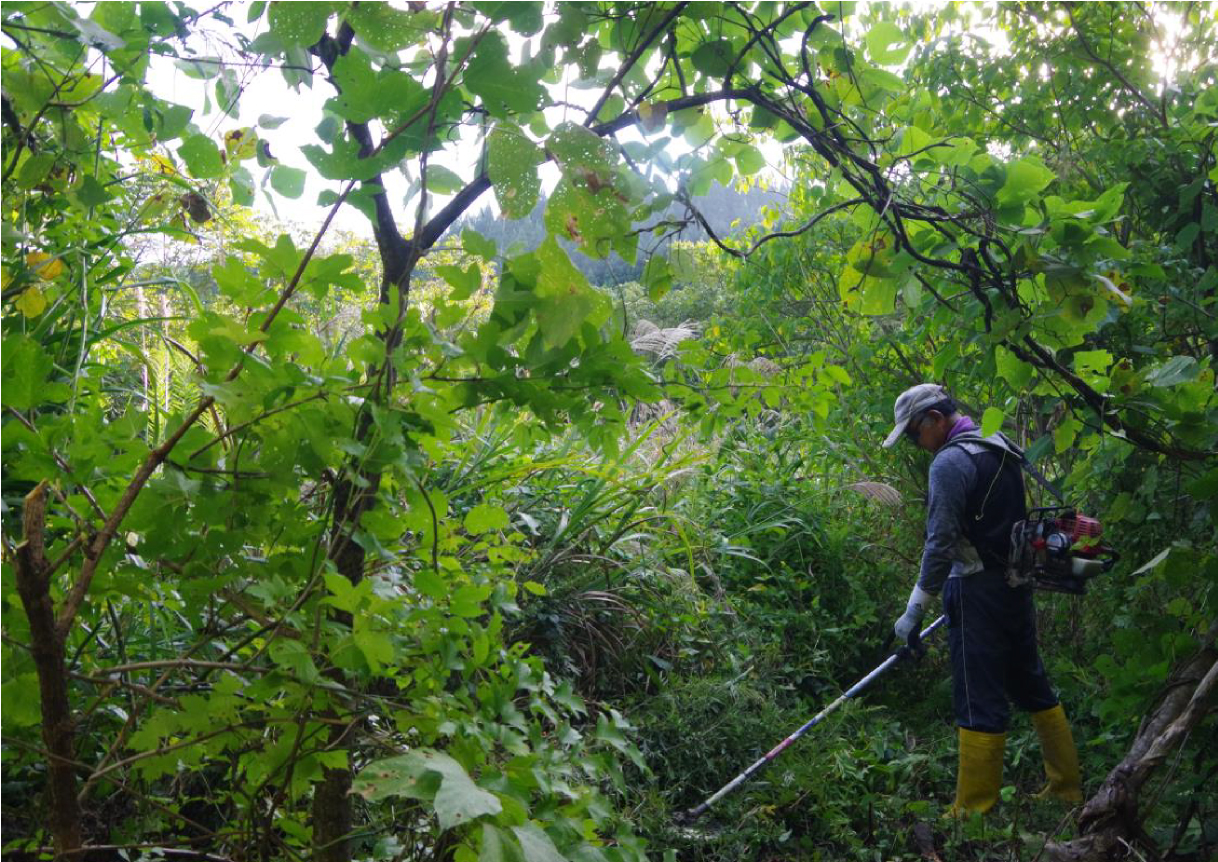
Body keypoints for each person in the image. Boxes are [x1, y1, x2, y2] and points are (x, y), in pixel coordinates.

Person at [882, 383, 1082, 816]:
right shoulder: (1000, 445)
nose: (918, 445)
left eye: (916, 434)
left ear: (935, 420)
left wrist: (914, 609)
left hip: (974, 589)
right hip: (1015, 580)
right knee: (1030, 681)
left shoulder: (950, 462)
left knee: (977, 694)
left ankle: (974, 809)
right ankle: (1066, 787)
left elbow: (940, 543)